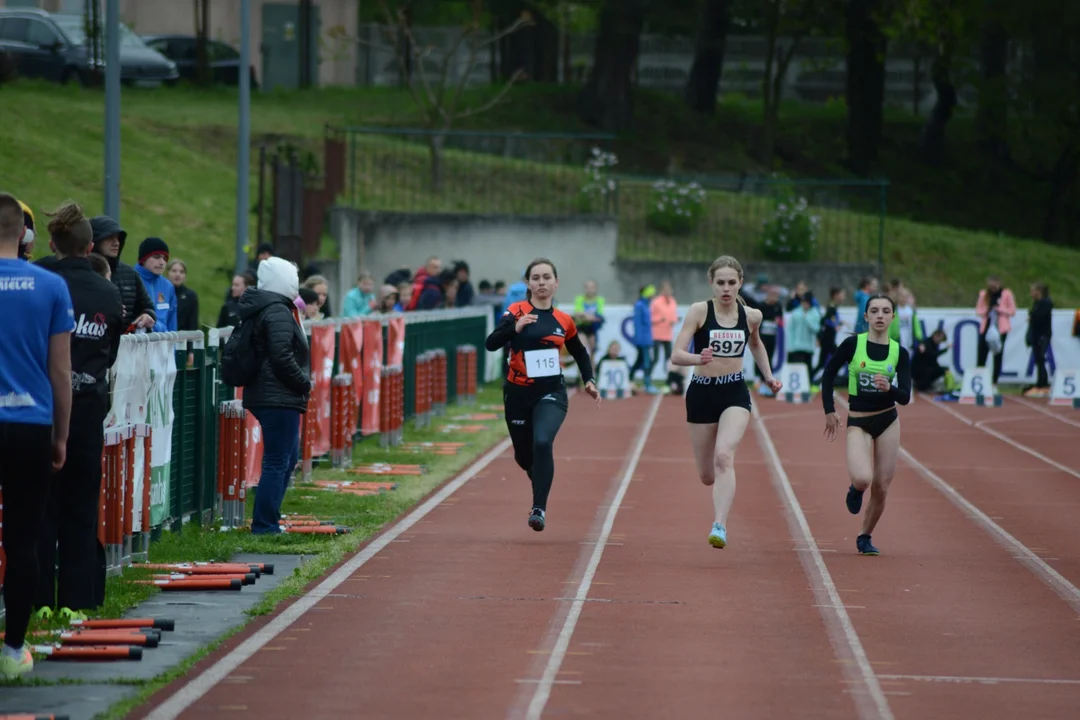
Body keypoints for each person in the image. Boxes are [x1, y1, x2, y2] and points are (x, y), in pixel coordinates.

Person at [32, 201, 123, 616]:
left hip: (41, 409)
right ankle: (77, 600)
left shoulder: (40, 282)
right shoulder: (107, 291)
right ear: (91, 248)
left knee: (40, 507)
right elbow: (111, 352)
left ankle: (38, 600)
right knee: (82, 508)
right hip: (88, 412)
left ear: (52, 244)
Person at [0, 192, 74, 679]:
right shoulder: (51, 285)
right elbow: (61, 373)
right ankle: (13, 651)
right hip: (30, 425)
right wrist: (61, 436)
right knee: (24, 539)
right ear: (25, 235)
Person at [670, 255, 782, 549]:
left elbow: (755, 344)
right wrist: (698, 358)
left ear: (740, 283)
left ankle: (719, 525)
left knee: (724, 456)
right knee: (707, 475)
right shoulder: (699, 312)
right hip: (701, 392)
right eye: (720, 283)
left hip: (734, 390)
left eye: (732, 283)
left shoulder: (752, 316)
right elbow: (676, 354)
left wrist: (768, 376)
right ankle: (717, 502)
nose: (726, 288)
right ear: (712, 283)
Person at [484, 257, 600, 532]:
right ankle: (538, 478)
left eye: (547, 277)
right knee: (524, 457)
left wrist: (589, 380)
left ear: (556, 283)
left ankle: (539, 508)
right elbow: (491, 343)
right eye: (536, 278)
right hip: (517, 393)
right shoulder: (515, 310)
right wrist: (516, 327)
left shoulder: (563, 320)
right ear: (528, 283)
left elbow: (580, 352)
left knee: (542, 440)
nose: (542, 282)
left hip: (551, 393)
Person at [820, 294, 912, 556]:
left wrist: (889, 388)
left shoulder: (899, 352)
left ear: (893, 316)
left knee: (881, 487)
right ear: (866, 316)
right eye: (875, 311)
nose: (880, 316)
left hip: (888, 420)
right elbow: (828, 375)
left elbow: (905, 396)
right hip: (859, 420)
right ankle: (855, 489)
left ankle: (865, 535)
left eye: (885, 311)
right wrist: (829, 411)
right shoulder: (852, 345)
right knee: (863, 478)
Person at [237, 257, 312, 535]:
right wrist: (303, 383)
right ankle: (265, 524)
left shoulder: (269, 307)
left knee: (287, 458)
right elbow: (282, 356)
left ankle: (270, 518)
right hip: (277, 394)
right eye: (292, 277)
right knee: (278, 460)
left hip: (272, 393)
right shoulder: (277, 310)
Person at [90, 216, 155, 332]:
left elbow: (147, 306)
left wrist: (147, 315)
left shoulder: (130, 274)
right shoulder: (84, 272)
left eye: (118, 238)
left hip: (124, 345)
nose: (116, 243)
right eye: (110, 238)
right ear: (96, 241)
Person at [975, 275, 1016, 389]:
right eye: (991, 285)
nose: (993, 288)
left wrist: (1000, 310)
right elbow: (978, 310)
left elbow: (1012, 311)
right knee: (982, 353)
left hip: (1000, 328)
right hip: (986, 327)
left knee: (998, 354)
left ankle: (994, 382)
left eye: (995, 285)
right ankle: (980, 379)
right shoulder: (984, 294)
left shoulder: (1006, 294)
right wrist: (987, 310)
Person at [1024, 282, 1053, 398]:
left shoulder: (1045, 304)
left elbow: (1040, 318)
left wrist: (1032, 317)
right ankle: (1040, 382)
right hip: (1037, 335)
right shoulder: (1037, 303)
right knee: (1038, 360)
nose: (1031, 294)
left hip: (1042, 335)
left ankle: (1043, 385)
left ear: (1038, 292)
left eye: (1033, 291)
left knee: (1041, 359)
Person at [166, 259, 200, 331]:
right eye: (174, 271)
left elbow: (193, 324)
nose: (178, 274)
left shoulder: (191, 296)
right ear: (168, 273)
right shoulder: (160, 293)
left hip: (182, 339)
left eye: (181, 272)